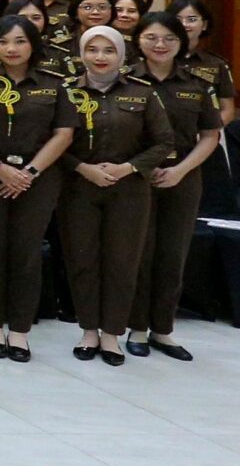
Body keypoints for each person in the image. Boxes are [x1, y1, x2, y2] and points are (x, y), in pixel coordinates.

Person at [58, 25, 175, 365]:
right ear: (82, 54)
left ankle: (111, 334)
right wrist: (83, 168)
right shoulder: (66, 92)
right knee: (83, 260)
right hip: (79, 187)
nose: (100, 57)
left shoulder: (143, 93)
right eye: (92, 49)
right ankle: (89, 331)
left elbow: (164, 143)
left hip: (129, 191)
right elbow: (52, 142)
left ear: (121, 56)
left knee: (122, 263)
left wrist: (128, 168)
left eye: (108, 50)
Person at [0, 17, 73, 364]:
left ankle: (21, 331)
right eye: (3, 42)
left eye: (19, 41)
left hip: (37, 180)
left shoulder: (54, 84)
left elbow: (63, 134)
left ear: (33, 45)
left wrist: (27, 172)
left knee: (27, 254)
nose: (11, 49)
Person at [128, 11, 223, 361]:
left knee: (172, 255)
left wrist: (181, 170)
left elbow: (210, 136)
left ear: (181, 43)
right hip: (135, 178)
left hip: (182, 177)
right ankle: (137, 328)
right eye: (151, 37)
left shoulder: (196, 85)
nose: (160, 45)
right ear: (138, 41)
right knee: (140, 253)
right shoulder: (126, 81)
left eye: (169, 39)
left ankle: (163, 330)